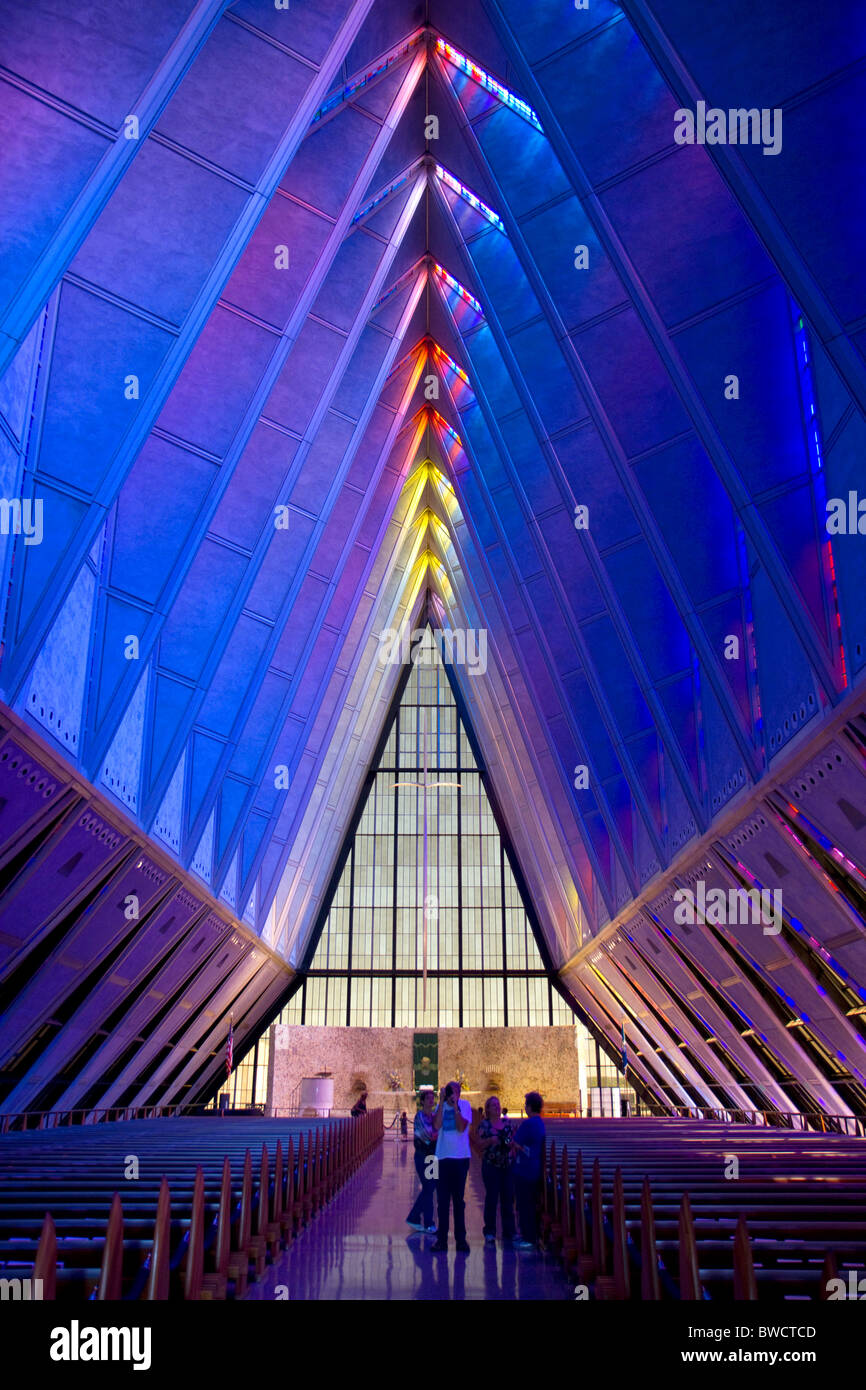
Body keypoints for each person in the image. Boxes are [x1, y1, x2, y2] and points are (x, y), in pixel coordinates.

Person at [431, 1080, 472, 1253]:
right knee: (442, 1202)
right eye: (449, 1091)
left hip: (460, 1158)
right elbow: (436, 1125)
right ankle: (441, 1240)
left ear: (459, 1093)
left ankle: (461, 1240)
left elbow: (462, 1127)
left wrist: (455, 1106)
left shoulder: (465, 1105)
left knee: (458, 1201)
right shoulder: (440, 1106)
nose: (451, 1094)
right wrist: (441, 1103)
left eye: (454, 1091)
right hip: (442, 1158)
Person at [475, 1095, 515, 1245]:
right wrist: (490, 1141)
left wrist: (511, 1144)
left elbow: (513, 1140)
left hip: (506, 1165)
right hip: (491, 1166)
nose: (497, 1107)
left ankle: (509, 1231)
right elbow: (478, 1144)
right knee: (491, 1198)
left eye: (498, 1104)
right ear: (488, 1109)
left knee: (507, 1199)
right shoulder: (484, 1125)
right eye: (493, 1105)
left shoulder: (507, 1122)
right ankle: (490, 1231)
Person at [511, 1091, 545, 1249]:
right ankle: (529, 1235)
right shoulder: (540, 1123)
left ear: (530, 1107)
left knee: (525, 1204)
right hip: (535, 1168)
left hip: (525, 1170)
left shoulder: (528, 1123)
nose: (525, 1108)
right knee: (529, 1204)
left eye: (526, 1105)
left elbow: (516, 1141)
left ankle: (528, 1237)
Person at [406, 1090, 438, 1233]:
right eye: (428, 1098)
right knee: (428, 1187)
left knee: (430, 1188)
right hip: (422, 1156)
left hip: (432, 1157)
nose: (431, 1100)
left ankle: (423, 1220)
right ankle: (422, 1220)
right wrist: (439, 1134)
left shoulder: (433, 1117)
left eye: (433, 1098)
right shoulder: (419, 1116)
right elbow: (428, 1135)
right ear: (422, 1101)